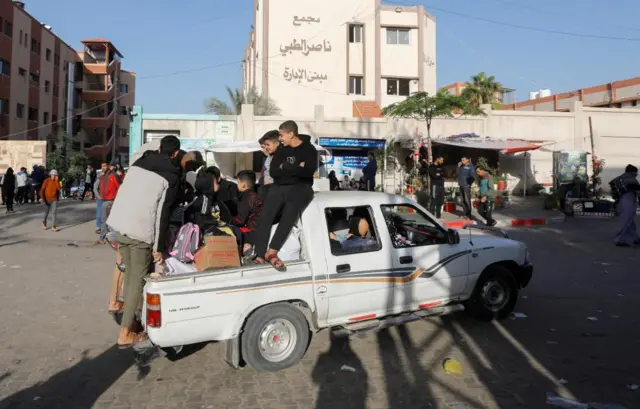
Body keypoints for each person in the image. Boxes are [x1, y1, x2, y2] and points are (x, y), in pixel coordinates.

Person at [106, 135, 182, 348]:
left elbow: (143, 149)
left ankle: (132, 323)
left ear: (158, 149)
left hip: (119, 225)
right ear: (175, 154)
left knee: (130, 275)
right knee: (136, 281)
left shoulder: (139, 162)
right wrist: (158, 248)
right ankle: (125, 333)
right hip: (140, 231)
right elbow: (162, 214)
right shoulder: (172, 176)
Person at [253, 120, 317, 271]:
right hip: (280, 186)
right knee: (266, 215)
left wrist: (286, 167)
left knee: (290, 211)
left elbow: (308, 172)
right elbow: (275, 172)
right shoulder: (282, 150)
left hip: (302, 187)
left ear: (291, 133)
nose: (280, 138)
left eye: (282, 135)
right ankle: (260, 254)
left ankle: (272, 251)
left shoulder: (309, 150)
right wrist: (296, 168)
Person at [232, 170, 264, 260]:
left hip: (252, 231)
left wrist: (227, 221)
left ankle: (247, 252)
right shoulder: (255, 194)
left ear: (244, 184)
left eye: (238, 182)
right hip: (260, 229)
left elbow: (241, 220)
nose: (237, 184)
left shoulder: (247, 197)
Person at [612, 164, 640, 247]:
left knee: (630, 221)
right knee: (627, 220)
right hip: (629, 201)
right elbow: (638, 192)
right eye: (636, 172)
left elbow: (613, 192)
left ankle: (635, 238)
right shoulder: (632, 180)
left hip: (621, 201)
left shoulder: (618, 179)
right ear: (632, 172)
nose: (636, 174)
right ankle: (619, 239)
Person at [95, 162, 122, 245]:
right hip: (105, 200)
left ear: (108, 166)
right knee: (104, 220)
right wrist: (99, 196)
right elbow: (96, 185)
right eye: (101, 166)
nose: (103, 167)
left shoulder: (113, 175)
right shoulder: (102, 176)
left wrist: (116, 198)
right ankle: (103, 238)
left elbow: (119, 187)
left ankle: (109, 238)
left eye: (104, 166)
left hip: (111, 200)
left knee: (109, 220)